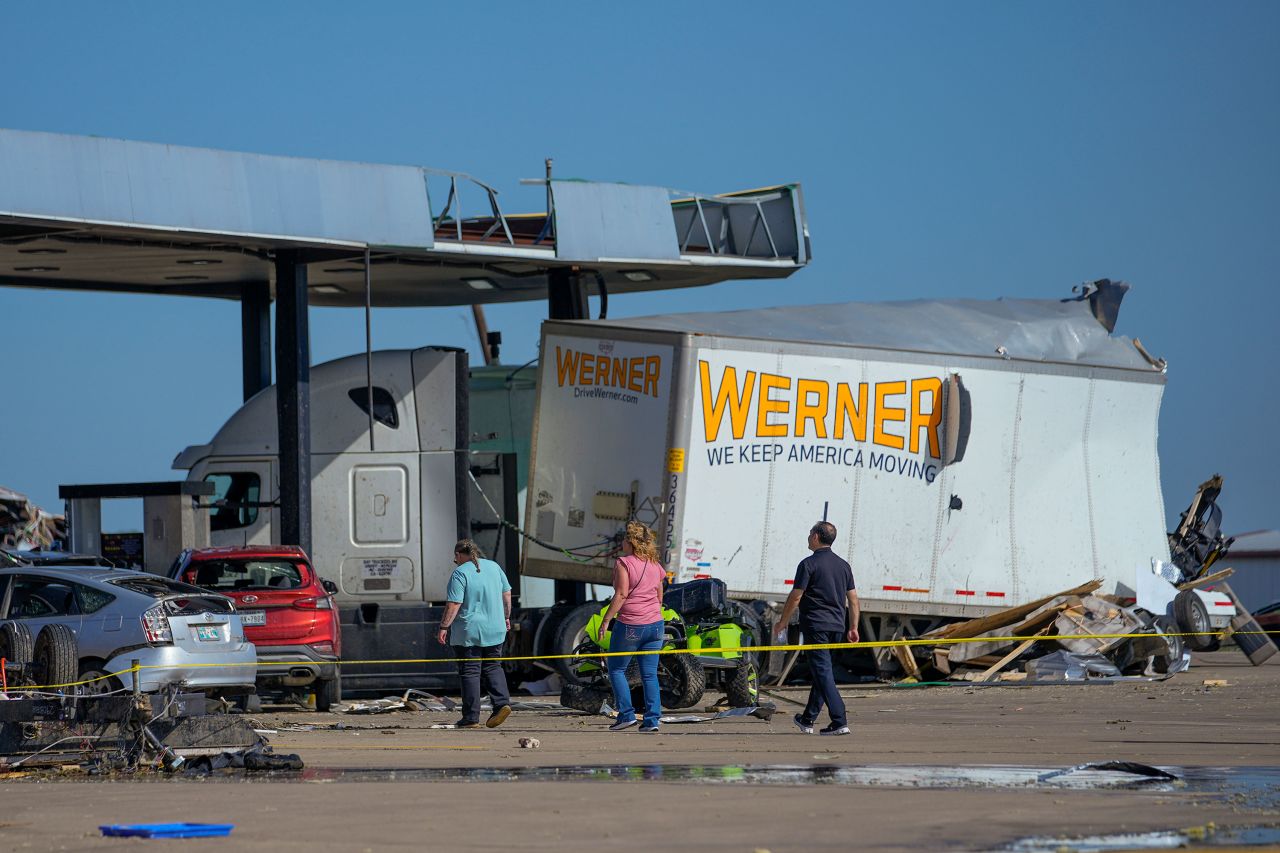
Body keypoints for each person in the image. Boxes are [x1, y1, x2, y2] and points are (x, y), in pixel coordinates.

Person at [774, 521, 859, 736]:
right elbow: (854, 599)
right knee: (823, 672)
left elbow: (796, 596)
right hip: (837, 626)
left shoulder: (808, 564)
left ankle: (839, 720)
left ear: (815, 537)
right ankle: (807, 719)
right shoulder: (843, 565)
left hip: (816, 624)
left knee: (822, 671)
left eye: (809, 533)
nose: (808, 537)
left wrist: (783, 622)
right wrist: (853, 626)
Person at [597, 521, 665, 733]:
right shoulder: (656, 565)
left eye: (624, 540)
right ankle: (652, 720)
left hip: (631, 624)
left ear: (630, 542)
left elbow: (622, 594)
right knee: (649, 675)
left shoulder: (623, 563)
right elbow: (659, 596)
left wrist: (607, 620)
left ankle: (626, 715)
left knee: (616, 669)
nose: (622, 544)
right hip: (655, 625)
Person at [437, 539, 513, 729]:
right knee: (493, 666)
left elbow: (454, 604)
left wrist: (444, 627)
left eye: (455, 558)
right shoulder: (494, 567)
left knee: (470, 671)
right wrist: (506, 617)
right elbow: (507, 594)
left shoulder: (460, 573)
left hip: (469, 631)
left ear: (458, 555)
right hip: (495, 627)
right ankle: (502, 704)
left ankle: (471, 718)